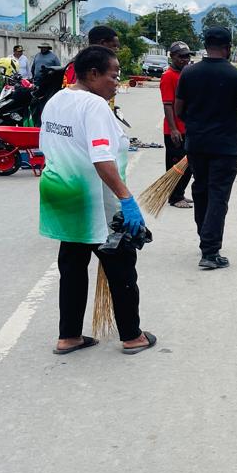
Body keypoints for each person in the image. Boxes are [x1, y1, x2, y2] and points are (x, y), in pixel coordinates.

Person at [38, 45, 155, 355]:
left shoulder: (55, 101)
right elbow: (102, 160)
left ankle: (69, 336)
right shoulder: (94, 106)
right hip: (95, 201)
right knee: (121, 265)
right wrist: (126, 199)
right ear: (92, 74)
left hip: (61, 197)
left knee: (73, 266)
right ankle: (132, 336)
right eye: (113, 76)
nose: (116, 83)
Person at [174, 27, 237, 269]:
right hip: (224, 147)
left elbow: (179, 110)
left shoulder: (189, 73)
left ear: (206, 45)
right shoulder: (236, 76)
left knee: (201, 191)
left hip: (196, 145)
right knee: (218, 196)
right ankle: (210, 252)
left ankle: (205, 239)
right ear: (228, 47)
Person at [160, 42, 193, 208]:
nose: (185, 59)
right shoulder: (169, 76)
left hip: (188, 128)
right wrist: (173, 129)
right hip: (174, 129)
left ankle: (180, 193)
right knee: (175, 164)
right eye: (181, 56)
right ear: (172, 56)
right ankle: (174, 197)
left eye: (187, 56)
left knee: (189, 164)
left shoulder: (186, 74)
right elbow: (167, 104)